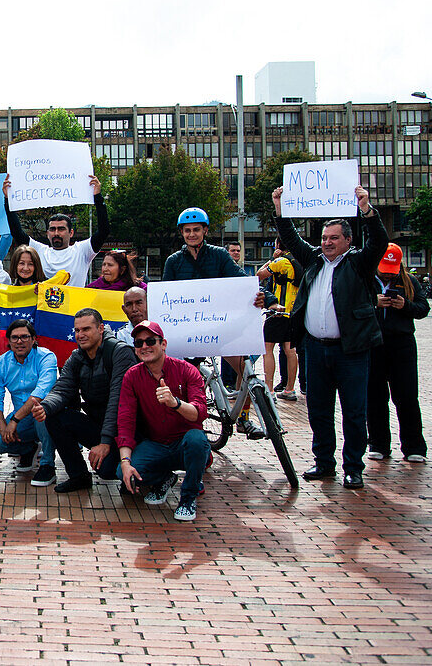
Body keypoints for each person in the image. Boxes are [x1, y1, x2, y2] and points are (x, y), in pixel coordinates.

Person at [273, 185, 388, 489]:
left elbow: (379, 241)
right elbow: (292, 239)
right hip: (315, 348)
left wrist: (366, 210)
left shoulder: (359, 263)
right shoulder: (312, 260)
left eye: (334, 238)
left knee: (353, 411)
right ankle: (324, 463)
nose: (327, 243)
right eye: (324, 238)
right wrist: (280, 208)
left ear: (348, 241)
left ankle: (354, 467)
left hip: (351, 351)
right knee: (319, 411)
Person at [163, 206, 272, 440]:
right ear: (182, 233)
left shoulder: (220, 256)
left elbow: (241, 279)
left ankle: (243, 418)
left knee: (244, 367)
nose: (192, 234)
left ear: (205, 231)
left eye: (196, 230)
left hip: (219, 329)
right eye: (187, 230)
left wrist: (267, 299)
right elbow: (167, 296)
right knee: (179, 378)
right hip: (188, 332)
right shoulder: (174, 262)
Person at [32, 308, 137, 493]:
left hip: (127, 431)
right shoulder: (77, 356)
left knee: (107, 471)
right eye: (77, 330)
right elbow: (62, 387)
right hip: (99, 424)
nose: (80, 335)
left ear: (101, 328)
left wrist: (104, 443)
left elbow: (117, 401)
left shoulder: (120, 352)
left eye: (86, 329)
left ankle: (137, 471)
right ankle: (79, 476)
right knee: (55, 417)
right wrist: (45, 407)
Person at [117, 320, 210, 522]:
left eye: (150, 341)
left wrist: (175, 403)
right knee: (122, 473)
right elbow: (126, 420)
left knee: (196, 440)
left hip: (184, 444)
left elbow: (201, 412)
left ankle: (188, 498)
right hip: (156, 445)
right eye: (139, 343)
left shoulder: (187, 370)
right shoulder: (132, 376)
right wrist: (125, 462)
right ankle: (164, 478)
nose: (144, 347)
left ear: (163, 344)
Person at [367, 244, 430, 464]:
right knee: (374, 396)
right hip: (373, 344)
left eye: (391, 268)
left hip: (402, 344)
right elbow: (351, 306)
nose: (387, 273)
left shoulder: (409, 282)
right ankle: (378, 443)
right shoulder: (366, 280)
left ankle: (414, 446)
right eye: (384, 267)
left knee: (406, 396)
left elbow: (423, 309)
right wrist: (374, 304)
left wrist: (405, 306)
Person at [0, 320, 59, 486]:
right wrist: (3, 427)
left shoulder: (47, 357)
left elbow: (39, 394)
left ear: (34, 339)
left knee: (41, 412)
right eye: (15, 338)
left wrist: (14, 421)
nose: (19, 342)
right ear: (9, 341)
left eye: (24, 337)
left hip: (47, 414)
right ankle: (28, 449)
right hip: (22, 418)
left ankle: (48, 464)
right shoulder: (1, 363)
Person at [2, 175, 109, 287]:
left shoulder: (82, 251)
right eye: (52, 229)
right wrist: (8, 201)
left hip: (74, 304)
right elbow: (17, 233)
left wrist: (97, 197)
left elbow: (104, 231)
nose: (56, 233)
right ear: (47, 233)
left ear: (71, 233)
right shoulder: (40, 251)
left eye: (61, 229)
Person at [257, 239, 303, 400]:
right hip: (294, 312)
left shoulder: (281, 262)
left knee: (268, 350)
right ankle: (290, 389)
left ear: (278, 246)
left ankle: (269, 389)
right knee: (291, 351)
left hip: (277, 311)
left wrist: (271, 259)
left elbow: (259, 276)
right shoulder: (299, 261)